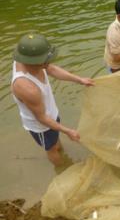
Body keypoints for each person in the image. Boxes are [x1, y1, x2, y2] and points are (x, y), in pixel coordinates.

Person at [11, 33, 94, 166]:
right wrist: (68, 131)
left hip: (50, 112)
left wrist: (79, 80)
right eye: (45, 60)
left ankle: (59, 147)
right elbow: (42, 118)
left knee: (56, 140)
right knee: (51, 149)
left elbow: (51, 69)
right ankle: (62, 168)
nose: (48, 62)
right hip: (41, 126)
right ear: (32, 61)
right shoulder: (27, 88)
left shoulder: (27, 58)